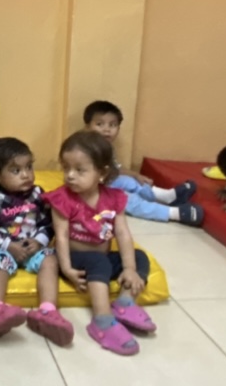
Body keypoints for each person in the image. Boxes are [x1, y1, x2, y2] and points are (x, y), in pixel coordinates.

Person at [45, 131, 156, 355]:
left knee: (139, 257)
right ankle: (102, 320)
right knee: (99, 262)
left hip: (101, 258)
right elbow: (61, 236)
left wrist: (129, 268)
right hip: (75, 259)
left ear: (102, 173)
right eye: (66, 168)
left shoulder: (114, 198)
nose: (70, 176)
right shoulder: (62, 199)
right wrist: (66, 268)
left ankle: (125, 302)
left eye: (80, 170)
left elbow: (122, 233)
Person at [0, 137, 73, 345]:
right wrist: (8, 245)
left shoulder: (38, 194)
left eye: (29, 167)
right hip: (2, 246)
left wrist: (39, 241)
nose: (26, 174)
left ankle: (47, 311)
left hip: (31, 246)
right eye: (16, 170)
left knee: (50, 260)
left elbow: (48, 223)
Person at [83, 100, 203, 226]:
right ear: (87, 127)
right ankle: (175, 213)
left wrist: (135, 175)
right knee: (127, 199)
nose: (106, 130)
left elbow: (115, 168)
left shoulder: (107, 147)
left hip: (105, 183)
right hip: (91, 192)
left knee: (128, 181)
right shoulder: (84, 149)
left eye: (112, 125)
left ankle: (168, 196)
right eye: (100, 124)